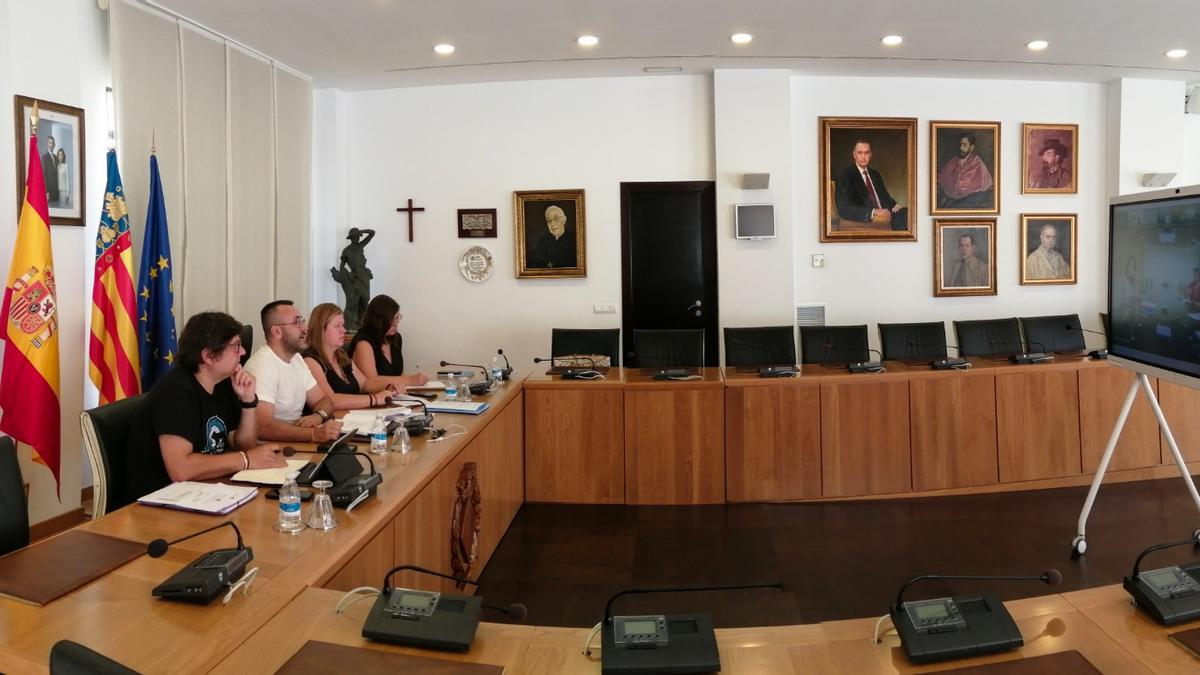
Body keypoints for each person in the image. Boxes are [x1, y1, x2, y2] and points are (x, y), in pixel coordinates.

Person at [124, 311, 286, 502]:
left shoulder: (224, 383)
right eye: (236, 346)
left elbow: (244, 445)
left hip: (202, 491)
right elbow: (180, 469)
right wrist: (247, 460)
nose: (242, 352)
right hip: (157, 501)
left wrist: (248, 402)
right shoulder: (176, 393)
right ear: (208, 356)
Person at [244, 300, 344, 443]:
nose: (305, 328)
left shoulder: (296, 358)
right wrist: (313, 434)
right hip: (274, 449)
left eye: (302, 321)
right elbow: (262, 427)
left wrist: (319, 415)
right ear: (276, 331)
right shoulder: (262, 365)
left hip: (297, 443)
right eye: (297, 323)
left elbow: (324, 400)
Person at [303, 302, 401, 409]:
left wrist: (388, 388)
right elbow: (330, 400)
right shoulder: (310, 361)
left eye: (343, 325)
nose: (344, 330)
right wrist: (375, 399)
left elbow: (365, 384)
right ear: (320, 329)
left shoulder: (342, 356)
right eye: (337, 326)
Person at [350, 294, 429, 388]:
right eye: (392, 319)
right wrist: (410, 380)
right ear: (379, 320)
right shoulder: (363, 342)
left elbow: (398, 375)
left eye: (397, 317)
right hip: (370, 399)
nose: (396, 324)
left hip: (393, 396)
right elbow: (370, 382)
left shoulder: (396, 338)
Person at [834, 140, 907, 230]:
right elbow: (843, 209)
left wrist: (895, 205)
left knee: (908, 213)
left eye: (867, 153)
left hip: (887, 214)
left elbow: (886, 198)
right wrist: (873, 211)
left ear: (870, 155)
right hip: (869, 218)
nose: (864, 156)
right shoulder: (844, 175)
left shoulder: (875, 174)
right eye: (860, 153)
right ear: (854, 155)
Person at [330, 227, 374, 330]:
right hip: (355, 276)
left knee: (366, 299)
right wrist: (348, 274)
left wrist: (361, 231)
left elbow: (372, 233)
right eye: (355, 237)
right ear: (351, 238)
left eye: (358, 237)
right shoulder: (347, 250)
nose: (357, 239)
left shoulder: (360, 246)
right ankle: (354, 323)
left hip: (364, 275)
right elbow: (342, 266)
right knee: (355, 299)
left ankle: (362, 322)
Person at [936, 133, 994, 209]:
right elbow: (942, 178)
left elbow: (983, 186)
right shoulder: (953, 161)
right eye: (960, 144)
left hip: (970, 199)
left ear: (971, 147)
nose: (961, 148)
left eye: (964, 145)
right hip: (951, 198)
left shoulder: (978, 163)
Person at [41, 135, 59, 203]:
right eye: (50, 143)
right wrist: (46, 192)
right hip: (48, 193)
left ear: (54, 145)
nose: (51, 144)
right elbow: (43, 175)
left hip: (56, 192)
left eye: (53, 143)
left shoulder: (56, 157)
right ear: (47, 144)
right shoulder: (44, 157)